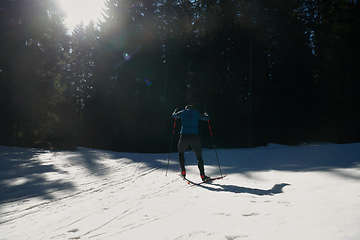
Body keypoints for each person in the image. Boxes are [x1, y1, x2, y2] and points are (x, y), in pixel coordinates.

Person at [172, 105, 211, 181]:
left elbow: (174, 116)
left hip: (184, 136)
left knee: (180, 153)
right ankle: (203, 175)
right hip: (194, 137)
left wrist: (175, 110)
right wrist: (206, 113)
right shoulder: (196, 112)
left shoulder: (183, 112)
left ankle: (183, 171)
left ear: (186, 108)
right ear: (192, 108)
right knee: (199, 157)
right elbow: (207, 118)